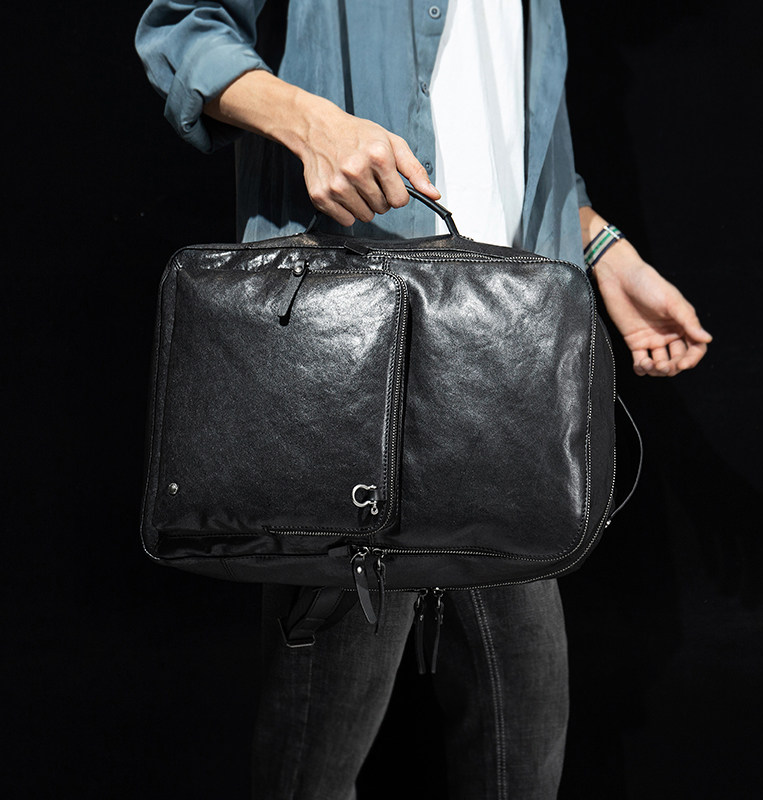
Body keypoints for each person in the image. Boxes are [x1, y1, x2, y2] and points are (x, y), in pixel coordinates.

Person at [136, 1, 712, 797]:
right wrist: (312, 124)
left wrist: (605, 250)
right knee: (314, 766)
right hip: (353, 367)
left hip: (501, 375)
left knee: (523, 755)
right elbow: (181, 28)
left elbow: (510, 147)